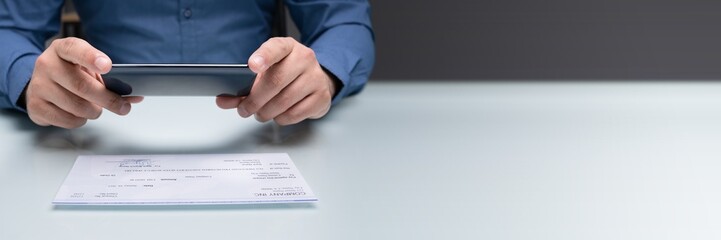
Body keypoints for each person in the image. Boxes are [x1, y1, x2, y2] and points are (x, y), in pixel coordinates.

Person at [0, 0, 375, 129]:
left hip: (263, 126)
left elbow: (344, 22)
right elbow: (10, 29)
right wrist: (28, 78)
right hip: (99, 128)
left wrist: (322, 74)